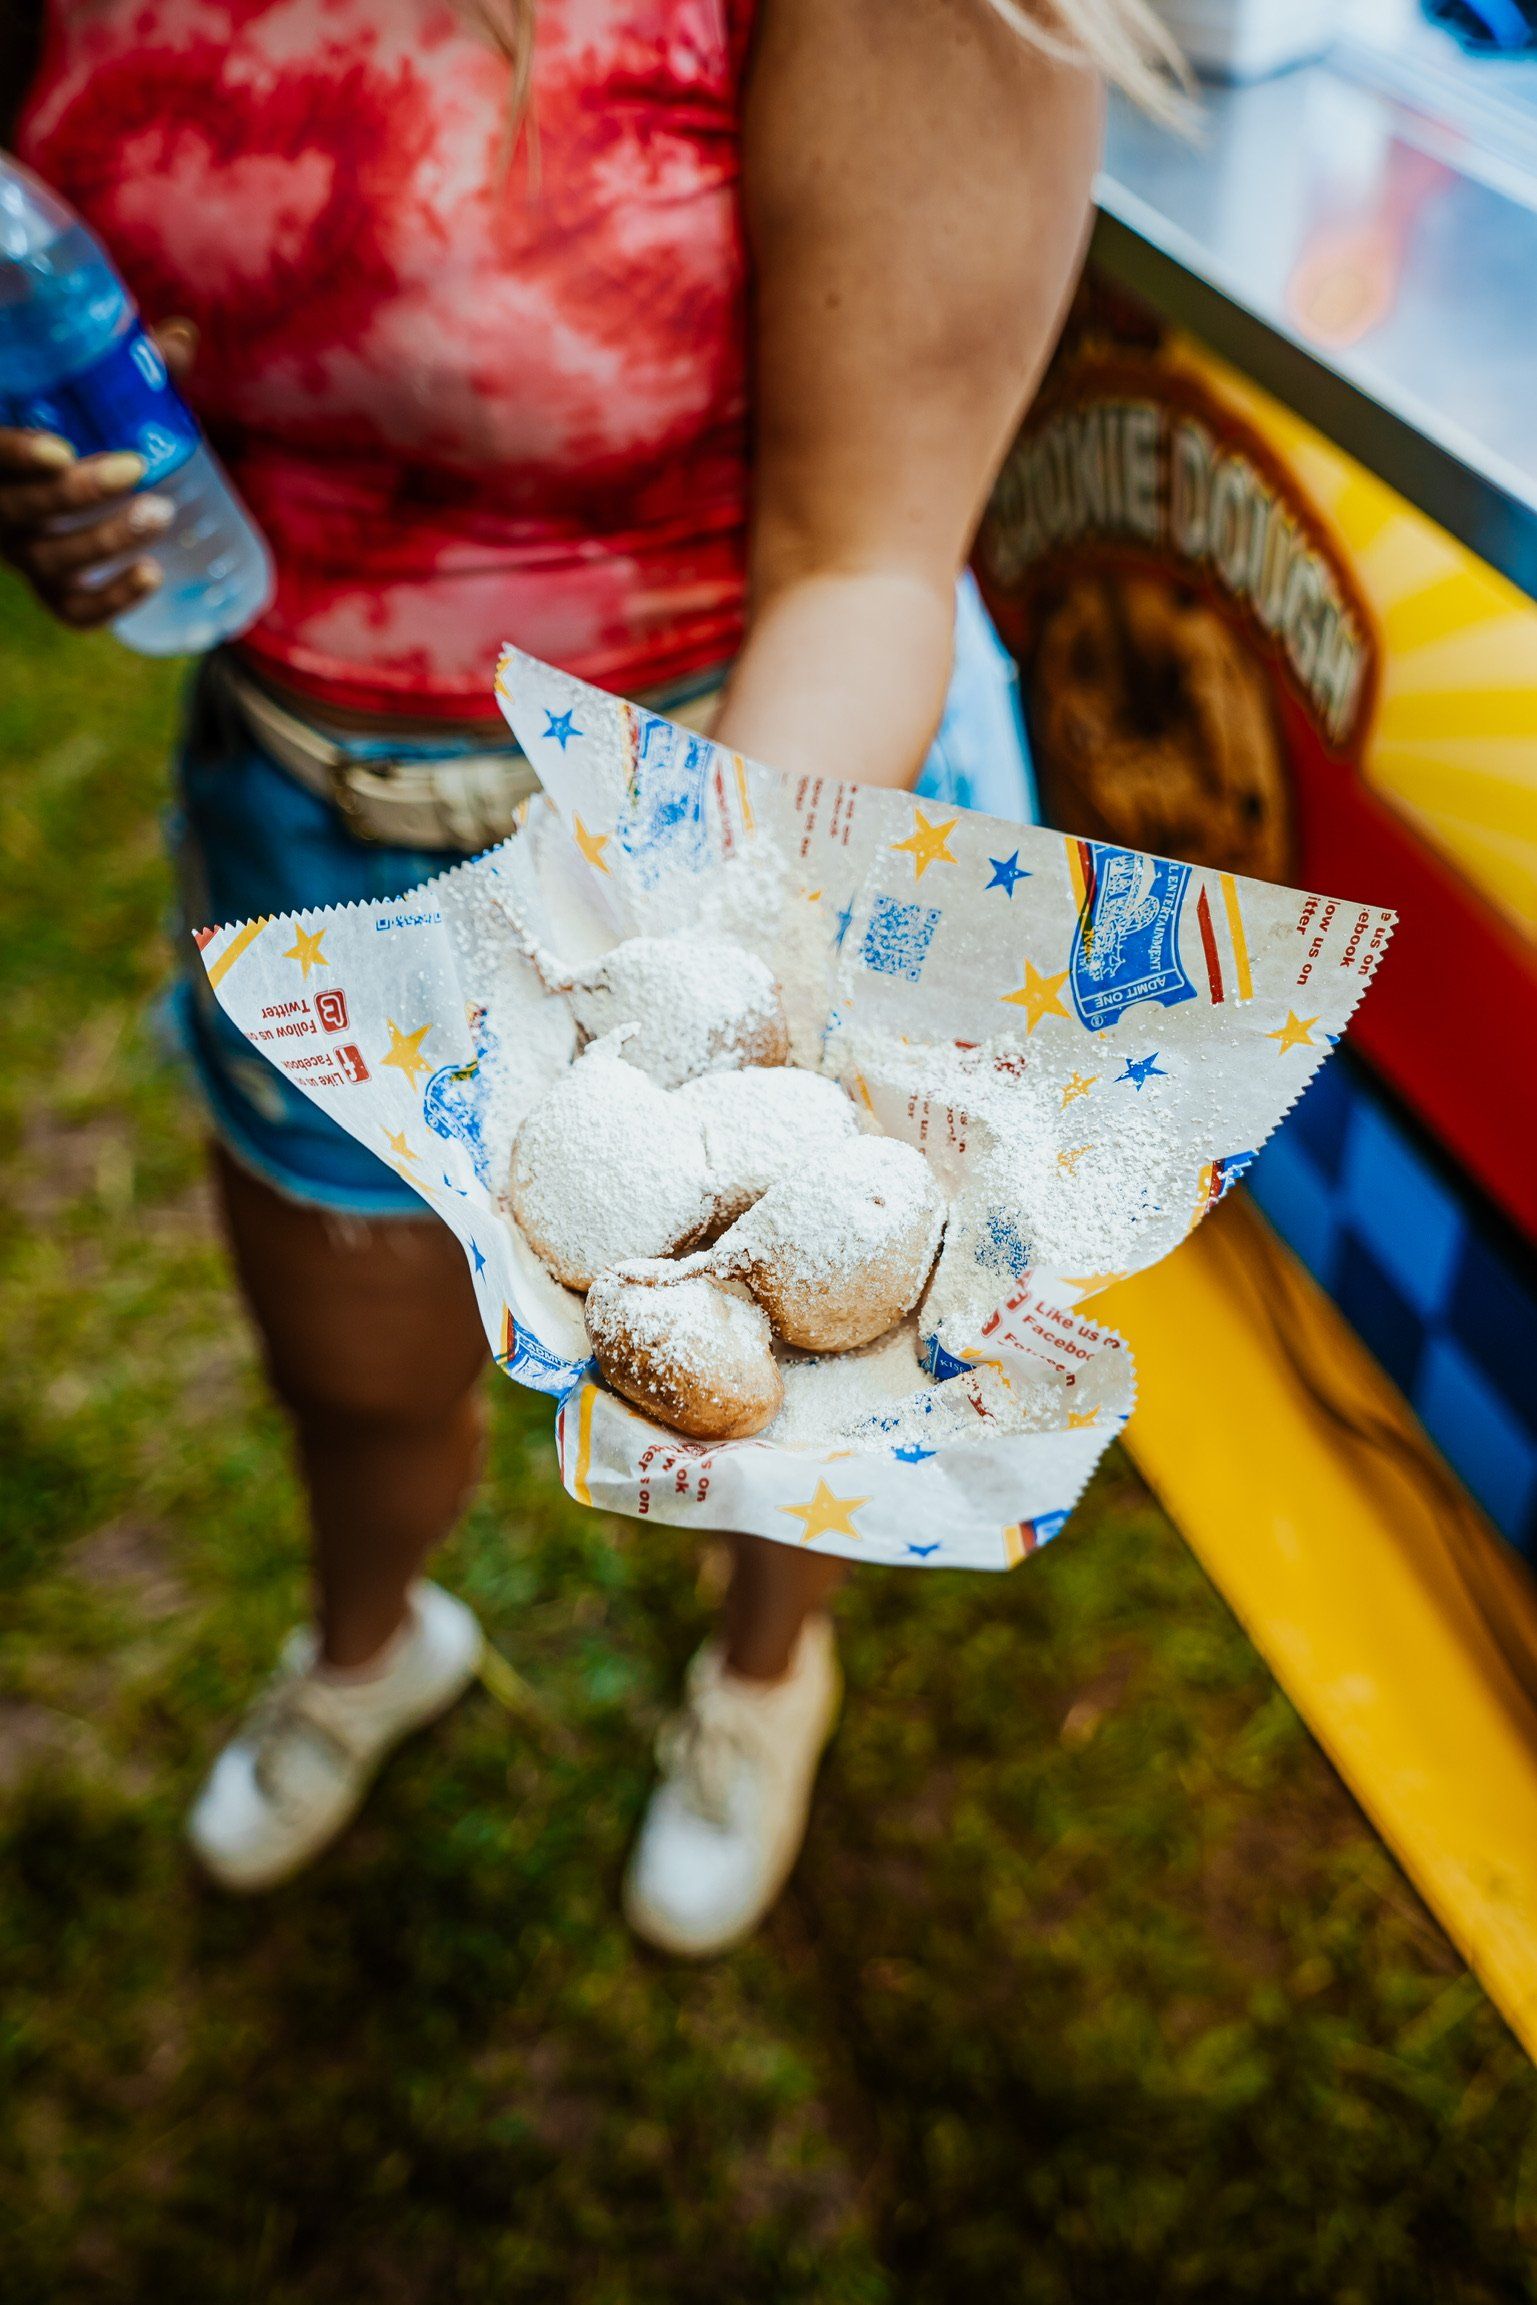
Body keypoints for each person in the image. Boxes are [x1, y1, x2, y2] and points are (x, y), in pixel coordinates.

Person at [1, 0, 1178, 1952]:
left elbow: (867, 567)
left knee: (769, 1388)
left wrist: (691, 999)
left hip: (759, 826)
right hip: (310, 821)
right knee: (355, 1375)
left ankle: (759, 1677)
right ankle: (369, 1647)